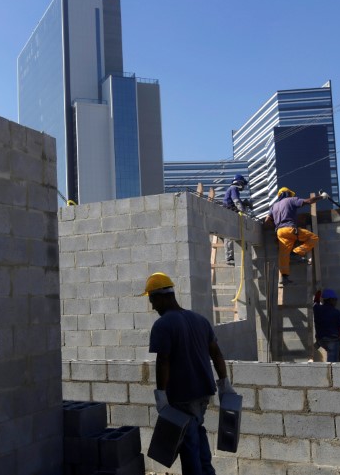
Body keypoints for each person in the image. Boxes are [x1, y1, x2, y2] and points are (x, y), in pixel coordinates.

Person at [143, 272, 233, 475]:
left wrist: (161, 395)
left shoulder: (163, 325)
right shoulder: (200, 320)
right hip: (203, 393)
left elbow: (163, 362)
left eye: (152, 300)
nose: (152, 306)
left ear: (162, 297)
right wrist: (224, 383)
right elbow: (216, 354)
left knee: (188, 445)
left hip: (183, 395)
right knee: (197, 433)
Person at [264, 187, 328, 286]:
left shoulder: (274, 206)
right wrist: (321, 197)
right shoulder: (291, 200)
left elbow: (267, 220)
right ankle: (296, 253)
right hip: (290, 229)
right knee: (313, 238)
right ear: (287, 194)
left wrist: (276, 226)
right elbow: (309, 201)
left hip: (280, 232)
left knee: (284, 255)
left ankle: (284, 277)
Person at [221, 174, 248, 266]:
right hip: (228, 213)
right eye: (243, 184)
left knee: (227, 235)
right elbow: (236, 200)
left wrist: (244, 204)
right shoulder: (234, 189)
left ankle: (229, 256)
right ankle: (229, 257)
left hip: (229, 212)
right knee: (228, 235)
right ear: (239, 182)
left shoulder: (232, 189)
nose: (243, 186)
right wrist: (242, 210)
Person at [312, 289, 340, 362]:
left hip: (321, 340)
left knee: (327, 340)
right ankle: (332, 371)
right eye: (335, 300)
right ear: (331, 300)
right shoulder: (338, 314)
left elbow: (315, 301)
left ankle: (318, 343)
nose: (336, 302)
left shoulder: (317, 308)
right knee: (332, 363)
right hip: (332, 341)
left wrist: (318, 292)